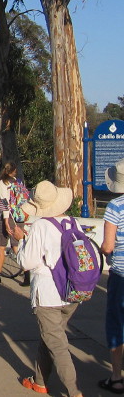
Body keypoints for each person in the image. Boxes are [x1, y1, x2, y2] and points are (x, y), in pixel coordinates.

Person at [14, 180, 83, 397]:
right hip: (72, 292)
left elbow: (27, 262)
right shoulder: (73, 223)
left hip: (48, 295)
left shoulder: (40, 226)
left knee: (58, 345)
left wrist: (20, 241)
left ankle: (74, 392)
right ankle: (40, 381)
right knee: (51, 337)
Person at [98, 159, 124, 394]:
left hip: (121, 274)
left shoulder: (115, 207)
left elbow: (107, 246)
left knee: (117, 324)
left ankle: (117, 377)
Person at [0, 161, 30, 284]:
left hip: (8, 217)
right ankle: (26, 274)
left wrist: (5, 220)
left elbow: (4, 203)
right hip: (19, 216)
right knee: (16, 245)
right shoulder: (18, 181)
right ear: (14, 171)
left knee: (2, 245)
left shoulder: (3, 182)